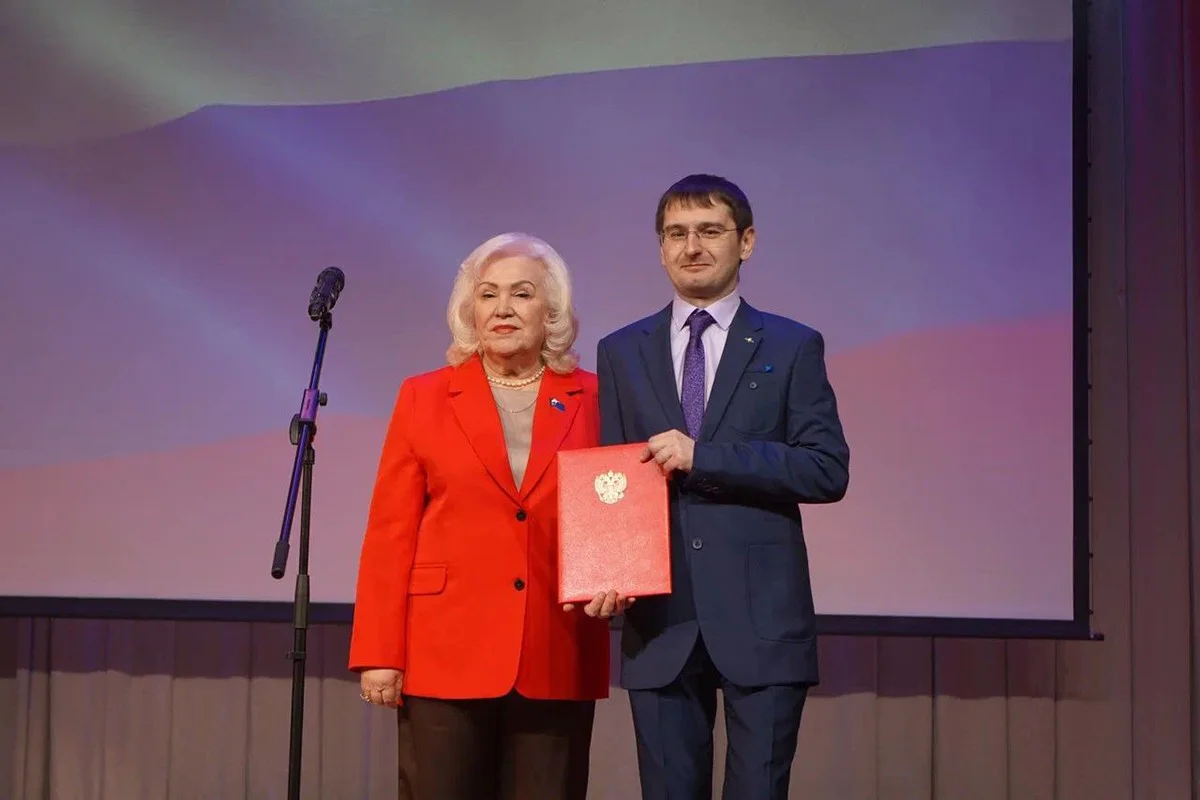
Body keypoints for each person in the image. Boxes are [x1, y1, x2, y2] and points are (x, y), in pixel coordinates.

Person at [592, 174, 851, 799]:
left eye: (710, 231)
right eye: (676, 234)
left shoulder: (792, 344)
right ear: (660, 248)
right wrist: (607, 566)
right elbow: (613, 479)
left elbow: (825, 468)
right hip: (660, 624)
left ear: (747, 241)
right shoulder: (620, 350)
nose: (692, 247)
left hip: (763, 619)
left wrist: (703, 457)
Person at [348, 232, 611, 800]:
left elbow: (615, 506)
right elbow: (391, 533)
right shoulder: (423, 396)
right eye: (488, 294)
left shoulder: (596, 396)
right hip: (444, 649)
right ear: (469, 309)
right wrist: (379, 653)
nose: (502, 308)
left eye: (522, 293)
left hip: (556, 645)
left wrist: (618, 578)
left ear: (552, 311)